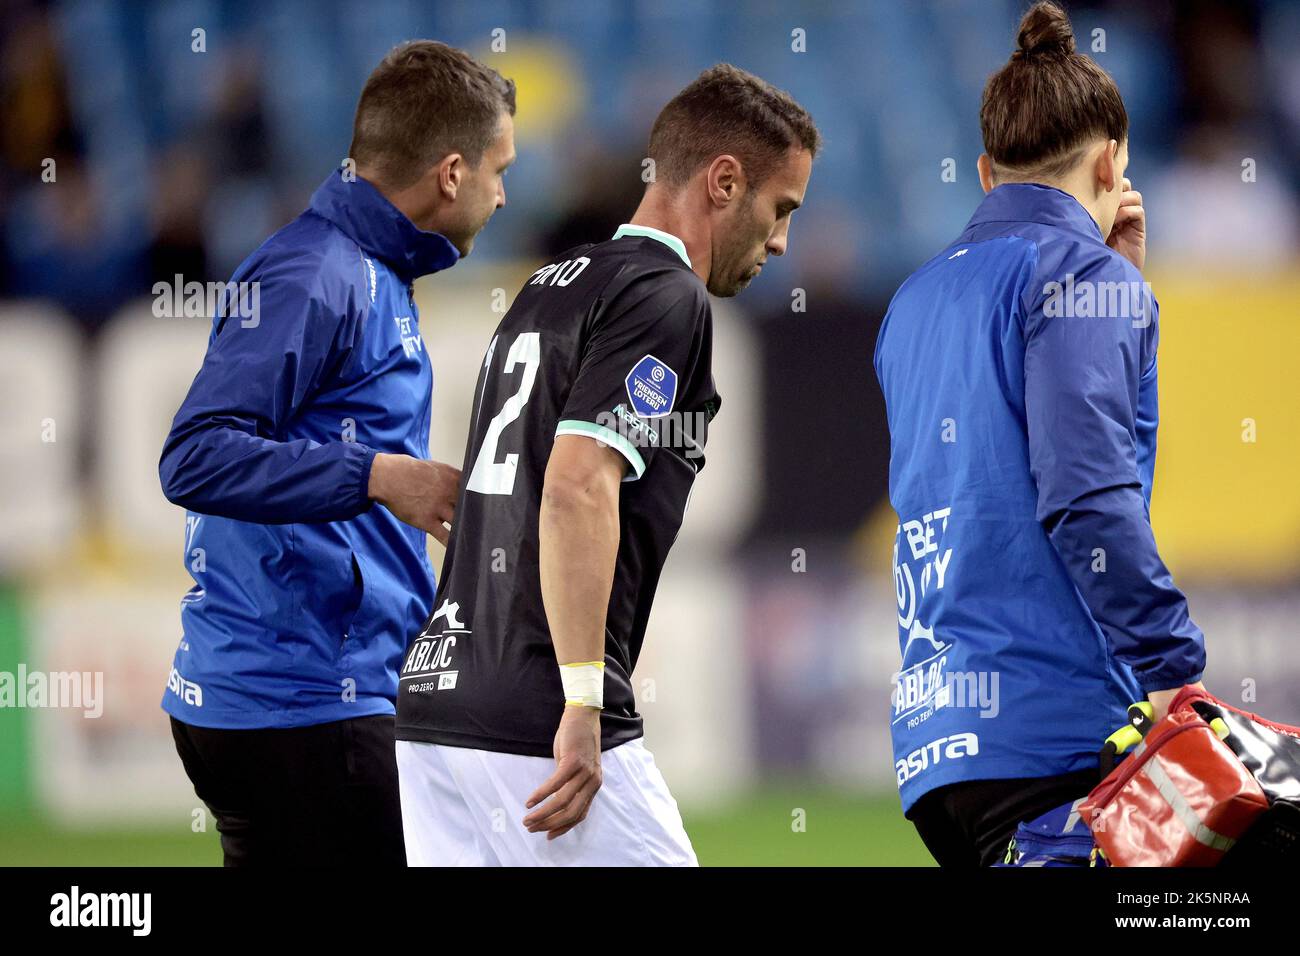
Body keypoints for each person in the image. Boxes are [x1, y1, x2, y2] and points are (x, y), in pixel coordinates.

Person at [394, 64, 819, 866]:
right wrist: (583, 700)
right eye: (780, 209)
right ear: (725, 182)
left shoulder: (549, 287)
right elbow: (576, 484)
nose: (780, 241)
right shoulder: (667, 297)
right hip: (538, 712)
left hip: (435, 708)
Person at [158, 41, 516, 867]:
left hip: (312, 694)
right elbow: (196, 457)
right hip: (306, 705)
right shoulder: (315, 272)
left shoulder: (371, 272)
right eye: (500, 171)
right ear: (452, 172)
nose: (505, 197)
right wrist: (382, 476)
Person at [873, 1, 1206, 867]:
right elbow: (1084, 495)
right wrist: (1172, 667)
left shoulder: (912, 302)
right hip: (1061, 731)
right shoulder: (1082, 275)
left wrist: (1120, 289)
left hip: (938, 745)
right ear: (1111, 162)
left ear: (987, 173)